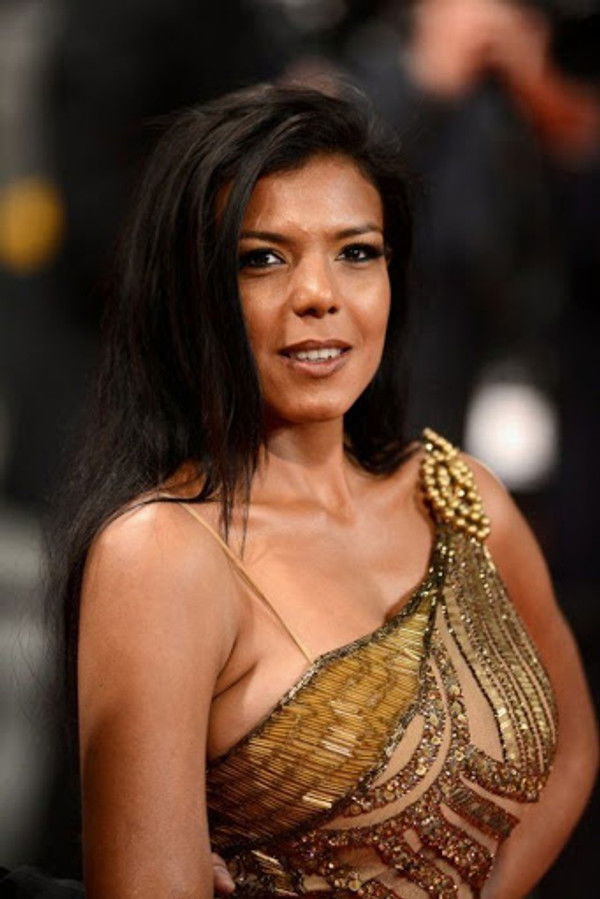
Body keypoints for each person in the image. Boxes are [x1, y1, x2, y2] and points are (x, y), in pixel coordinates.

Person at [35, 83, 598, 897]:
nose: (319, 295)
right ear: (192, 291)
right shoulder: (160, 554)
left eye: (356, 252)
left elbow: (571, 747)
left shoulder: (461, 496)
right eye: (262, 258)